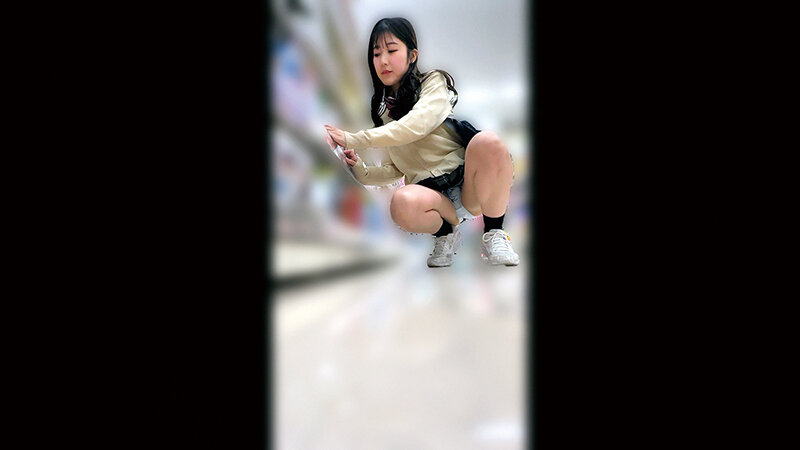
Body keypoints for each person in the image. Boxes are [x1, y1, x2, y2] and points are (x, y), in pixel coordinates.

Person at [324, 17, 519, 267]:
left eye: (391, 50)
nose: (383, 61)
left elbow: (416, 124)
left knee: (488, 141)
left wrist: (355, 138)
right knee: (400, 202)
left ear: (412, 55)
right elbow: (396, 169)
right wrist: (359, 169)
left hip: (467, 185)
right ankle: (446, 234)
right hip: (431, 198)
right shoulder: (384, 115)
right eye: (376, 53)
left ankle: (494, 233)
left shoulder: (433, 83)